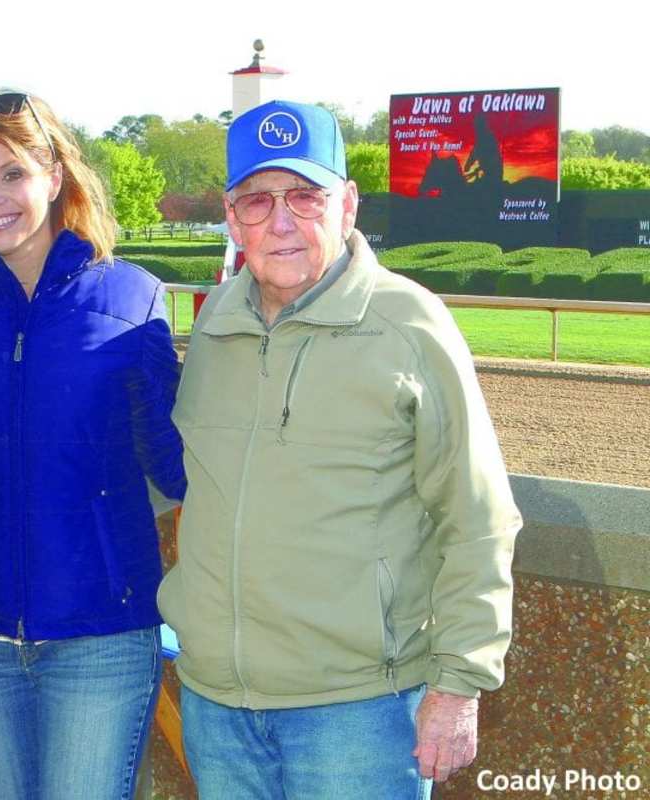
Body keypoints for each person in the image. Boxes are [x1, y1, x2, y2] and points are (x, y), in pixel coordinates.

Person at [157, 100, 522, 799]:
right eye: (259, 202)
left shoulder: (408, 322)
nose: (284, 221)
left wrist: (460, 683)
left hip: (359, 713)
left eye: (306, 196)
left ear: (347, 206)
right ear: (233, 219)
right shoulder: (213, 330)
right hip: (217, 710)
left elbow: (477, 516)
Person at [0, 81, 186, 800]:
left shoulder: (132, 296)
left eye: (11, 174)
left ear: (55, 175)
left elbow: (179, 464)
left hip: (103, 631)